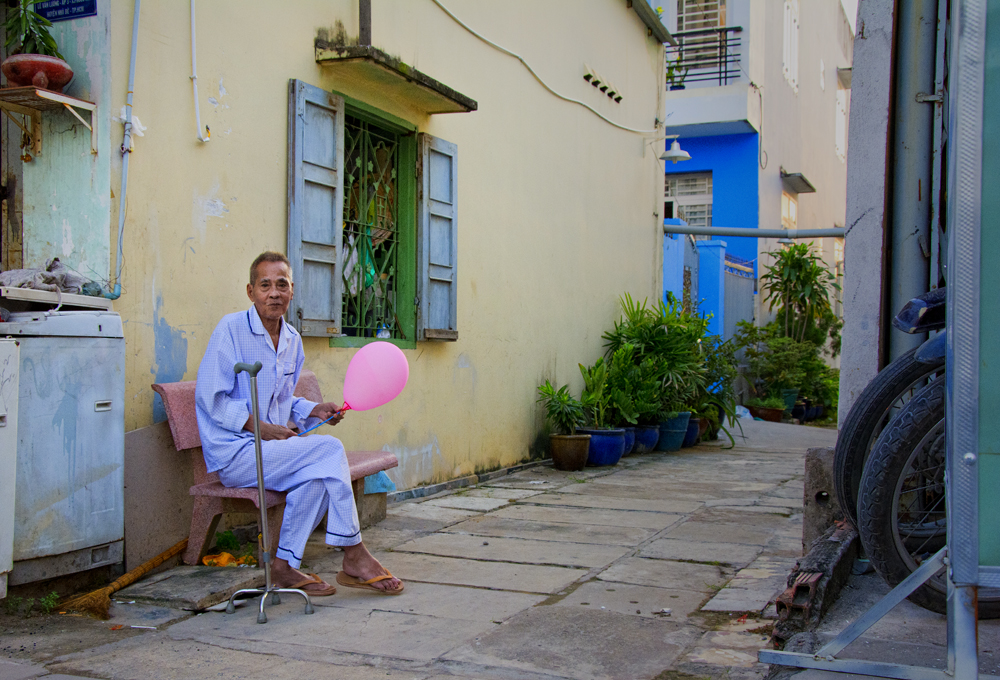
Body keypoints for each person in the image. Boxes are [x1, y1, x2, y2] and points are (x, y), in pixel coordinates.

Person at [194, 251, 403, 595]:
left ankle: (284, 566)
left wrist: (314, 410)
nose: (274, 293)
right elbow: (210, 399)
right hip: (236, 454)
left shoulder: (292, 339)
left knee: (321, 474)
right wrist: (261, 428)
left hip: (272, 452)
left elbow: (282, 400)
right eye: (265, 285)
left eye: (282, 285)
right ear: (250, 291)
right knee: (330, 451)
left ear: (292, 291)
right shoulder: (230, 330)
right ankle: (354, 553)